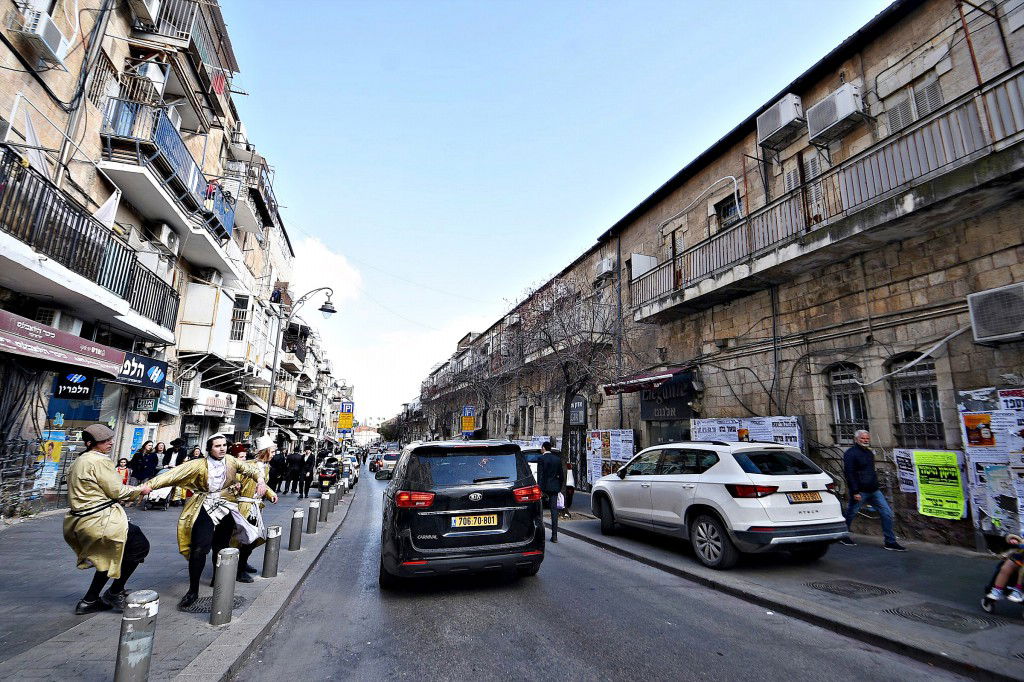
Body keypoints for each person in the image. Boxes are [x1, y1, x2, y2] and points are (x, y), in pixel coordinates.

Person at [140, 433, 268, 610]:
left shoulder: (231, 460)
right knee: (199, 548)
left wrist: (260, 481)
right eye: (217, 446)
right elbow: (174, 474)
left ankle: (218, 578)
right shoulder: (198, 464)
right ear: (209, 448)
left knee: (221, 546)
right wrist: (150, 486)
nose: (222, 448)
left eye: (224, 445)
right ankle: (193, 590)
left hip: (227, 505)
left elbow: (251, 470)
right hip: (205, 505)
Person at [63, 424, 152, 614]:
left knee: (109, 556)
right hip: (102, 519)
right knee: (139, 546)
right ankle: (115, 591)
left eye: (110, 439)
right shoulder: (99, 461)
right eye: (104, 441)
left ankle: (89, 601)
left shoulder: (80, 461)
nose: (110, 443)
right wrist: (140, 490)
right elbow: (117, 491)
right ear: (90, 443)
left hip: (82, 520)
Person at [840, 430, 906, 551]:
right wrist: (855, 491)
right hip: (860, 491)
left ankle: (890, 541)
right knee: (851, 513)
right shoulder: (851, 453)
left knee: (887, 513)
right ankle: (842, 535)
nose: (865, 440)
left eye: (867, 439)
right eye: (863, 438)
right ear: (856, 439)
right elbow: (850, 473)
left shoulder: (869, 453)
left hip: (874, 490)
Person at [235, 435, 279, 582]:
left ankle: (243, 563)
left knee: (252, 538)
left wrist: (271, 494)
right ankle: (238, 569)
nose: (273, 455)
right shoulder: (249, 465)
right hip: (245, 506)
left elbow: (263, 486)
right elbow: (234, 480)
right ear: (265, 451)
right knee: (247, 538)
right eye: (272, 452)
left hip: (255, 506)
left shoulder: (265, 467)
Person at [536, 441, 565, 543]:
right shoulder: (557, 459)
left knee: (539, 512)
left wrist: (539, 488)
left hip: (543, 488)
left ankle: (539, 536)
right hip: (554, 488)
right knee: (554, 511)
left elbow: (540, 475)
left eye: (541, 447)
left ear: (543, 448)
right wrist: (559, 488)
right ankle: (554, 536)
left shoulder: (541, 458)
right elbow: (561, 476)